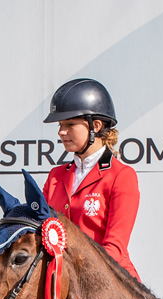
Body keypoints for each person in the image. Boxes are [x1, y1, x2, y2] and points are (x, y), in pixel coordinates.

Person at [41, 78, 140, 280]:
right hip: (64, 285)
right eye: (60, 125)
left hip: (110, 285)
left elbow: (114, 249)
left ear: (95, 125)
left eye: (69, 124)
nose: (61, 132)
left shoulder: (121, 176)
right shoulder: (55, 176)